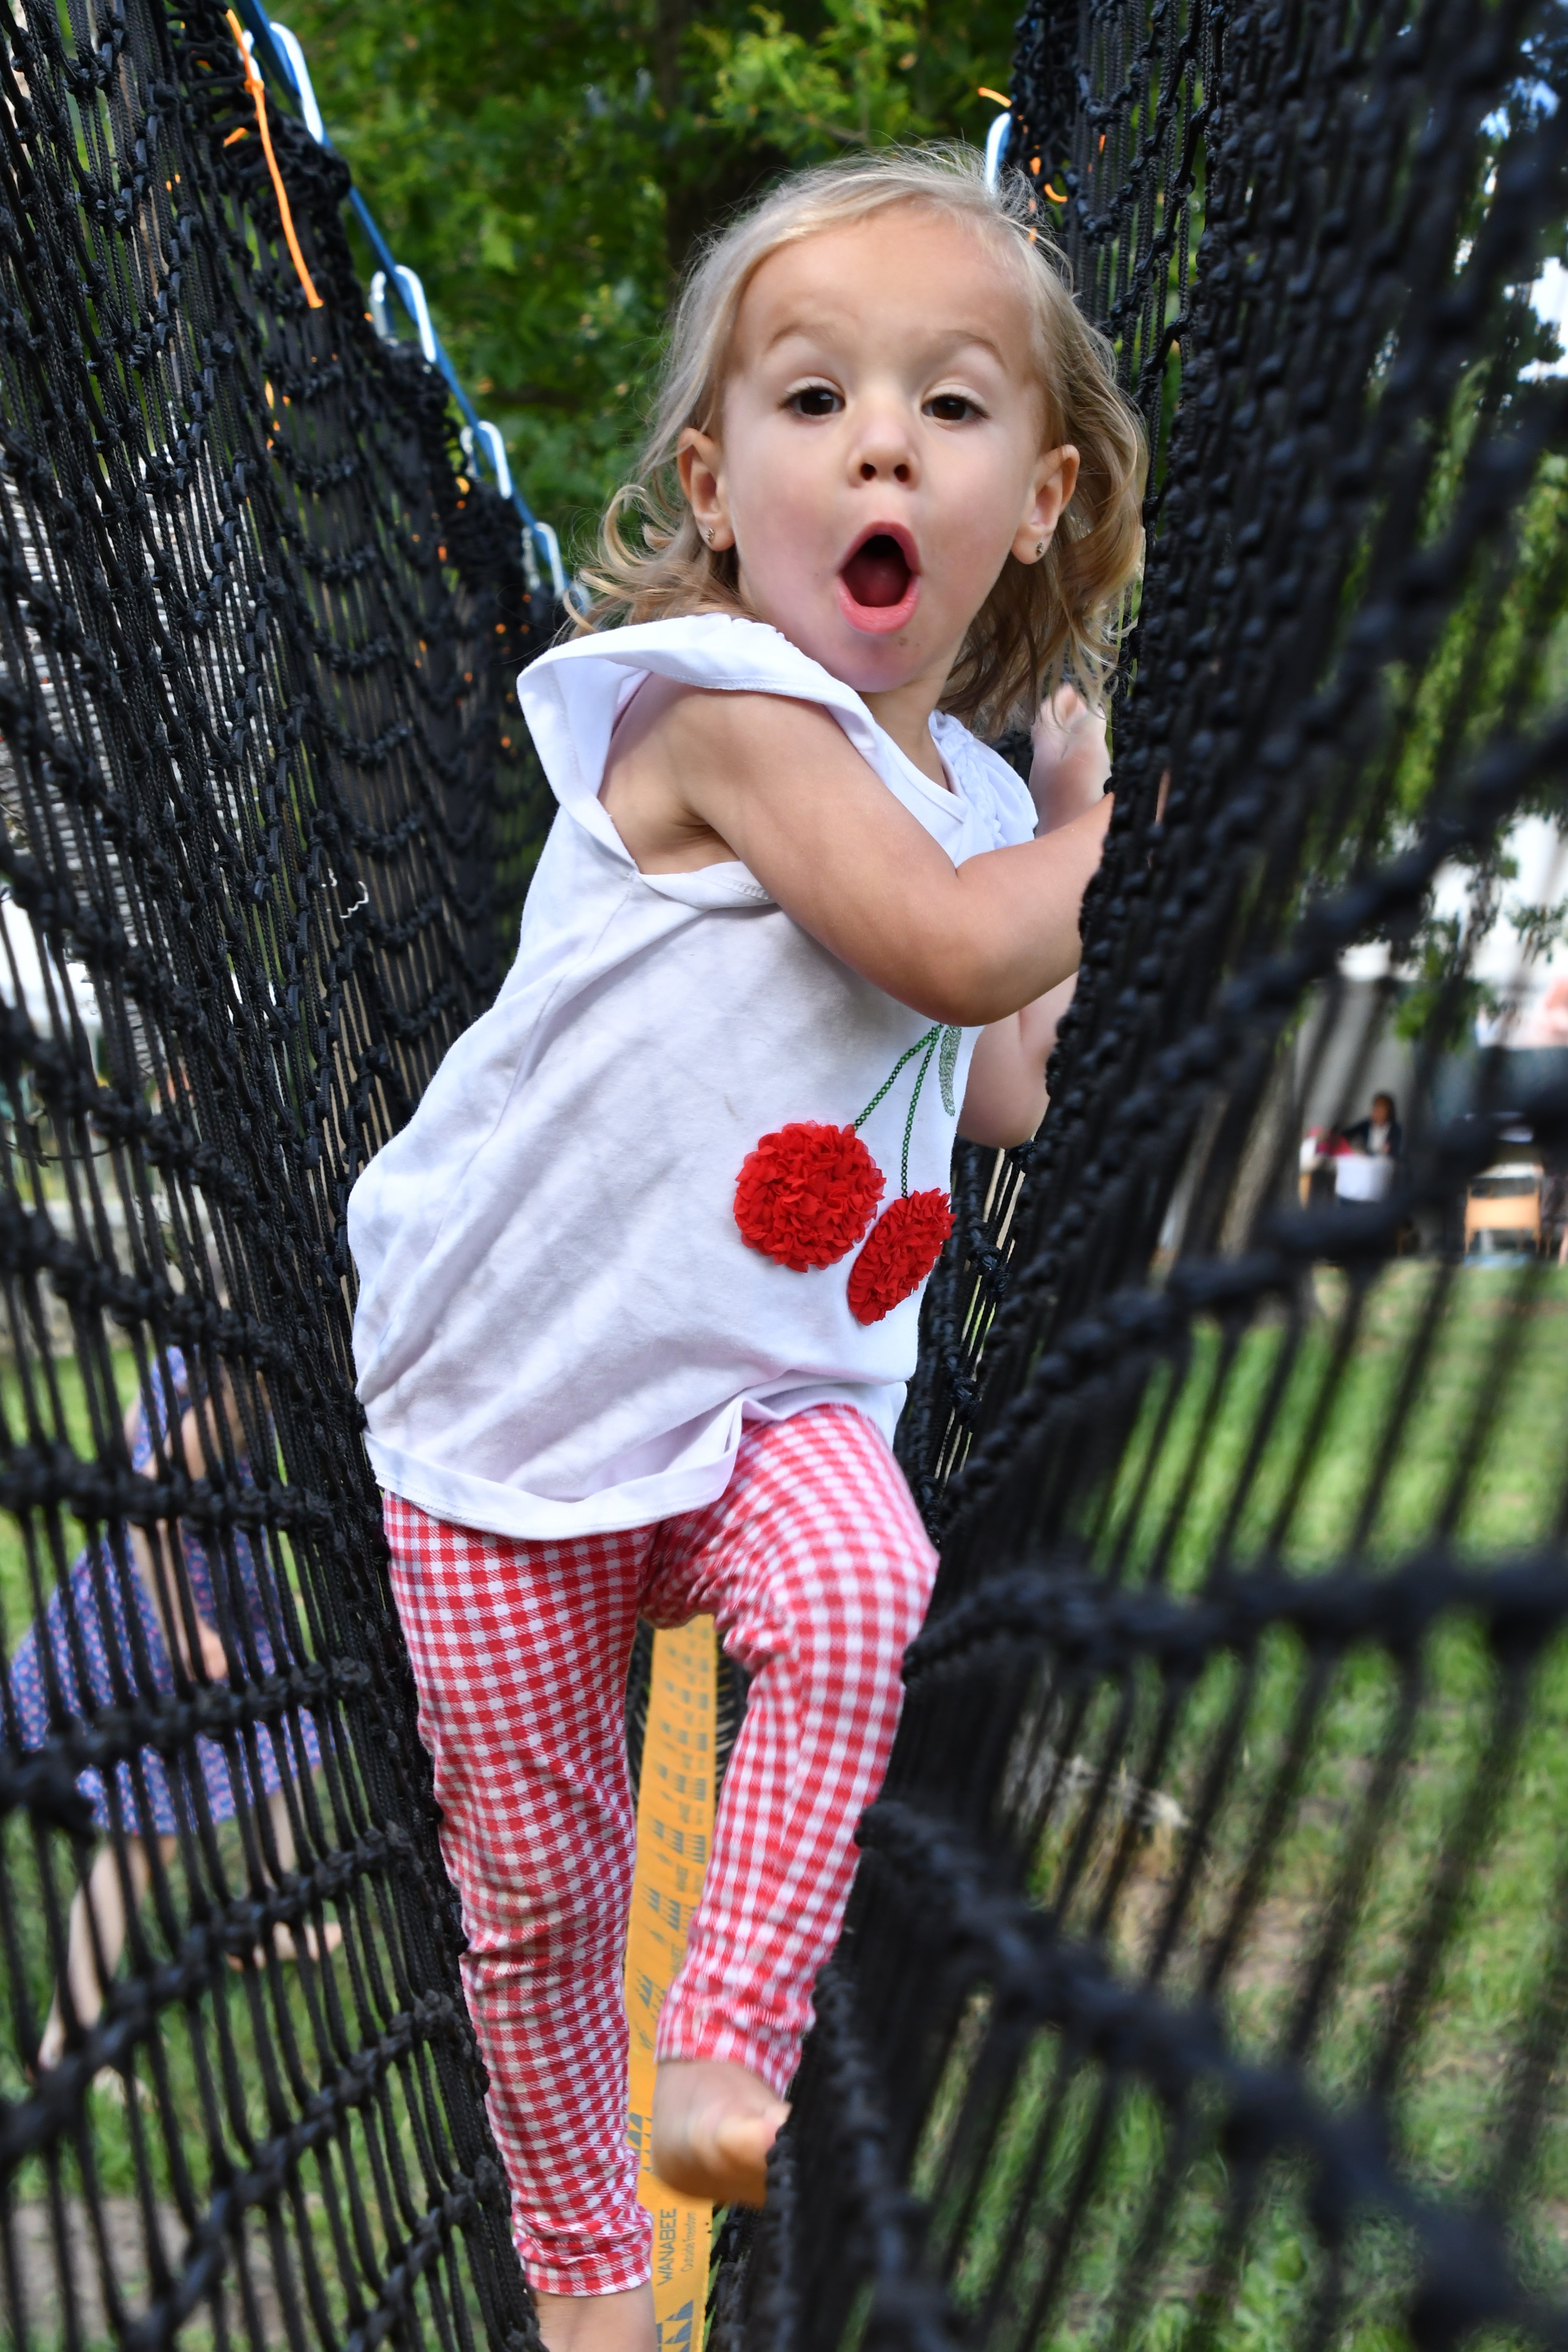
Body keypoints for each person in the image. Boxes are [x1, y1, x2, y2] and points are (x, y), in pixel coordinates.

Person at [347, 148, 1146, 2352]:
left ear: (1044, 495)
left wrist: (1053, 862)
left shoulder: (976, 805)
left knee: (866, 1582)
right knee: (536, 1895)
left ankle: (736, 2029)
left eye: (951, 404)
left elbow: (994, 1077)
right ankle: (592, 2274)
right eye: (814, 399)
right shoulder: (716, 708)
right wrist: (1099, 830)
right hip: (503, 1394)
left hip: (767, 1392)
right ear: (715, 483)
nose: (880, 437)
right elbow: (951, 948)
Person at [9, 1348, 334, 2081]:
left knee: (283, 1739)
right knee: (145, 1833)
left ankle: (263, 1917)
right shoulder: (240, 1388)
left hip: (219, 1607)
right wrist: (187, 1628)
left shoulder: (183, 1357)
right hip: (165, 1625)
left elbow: (129, 1441)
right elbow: (150, 1494)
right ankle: (69, 2034)